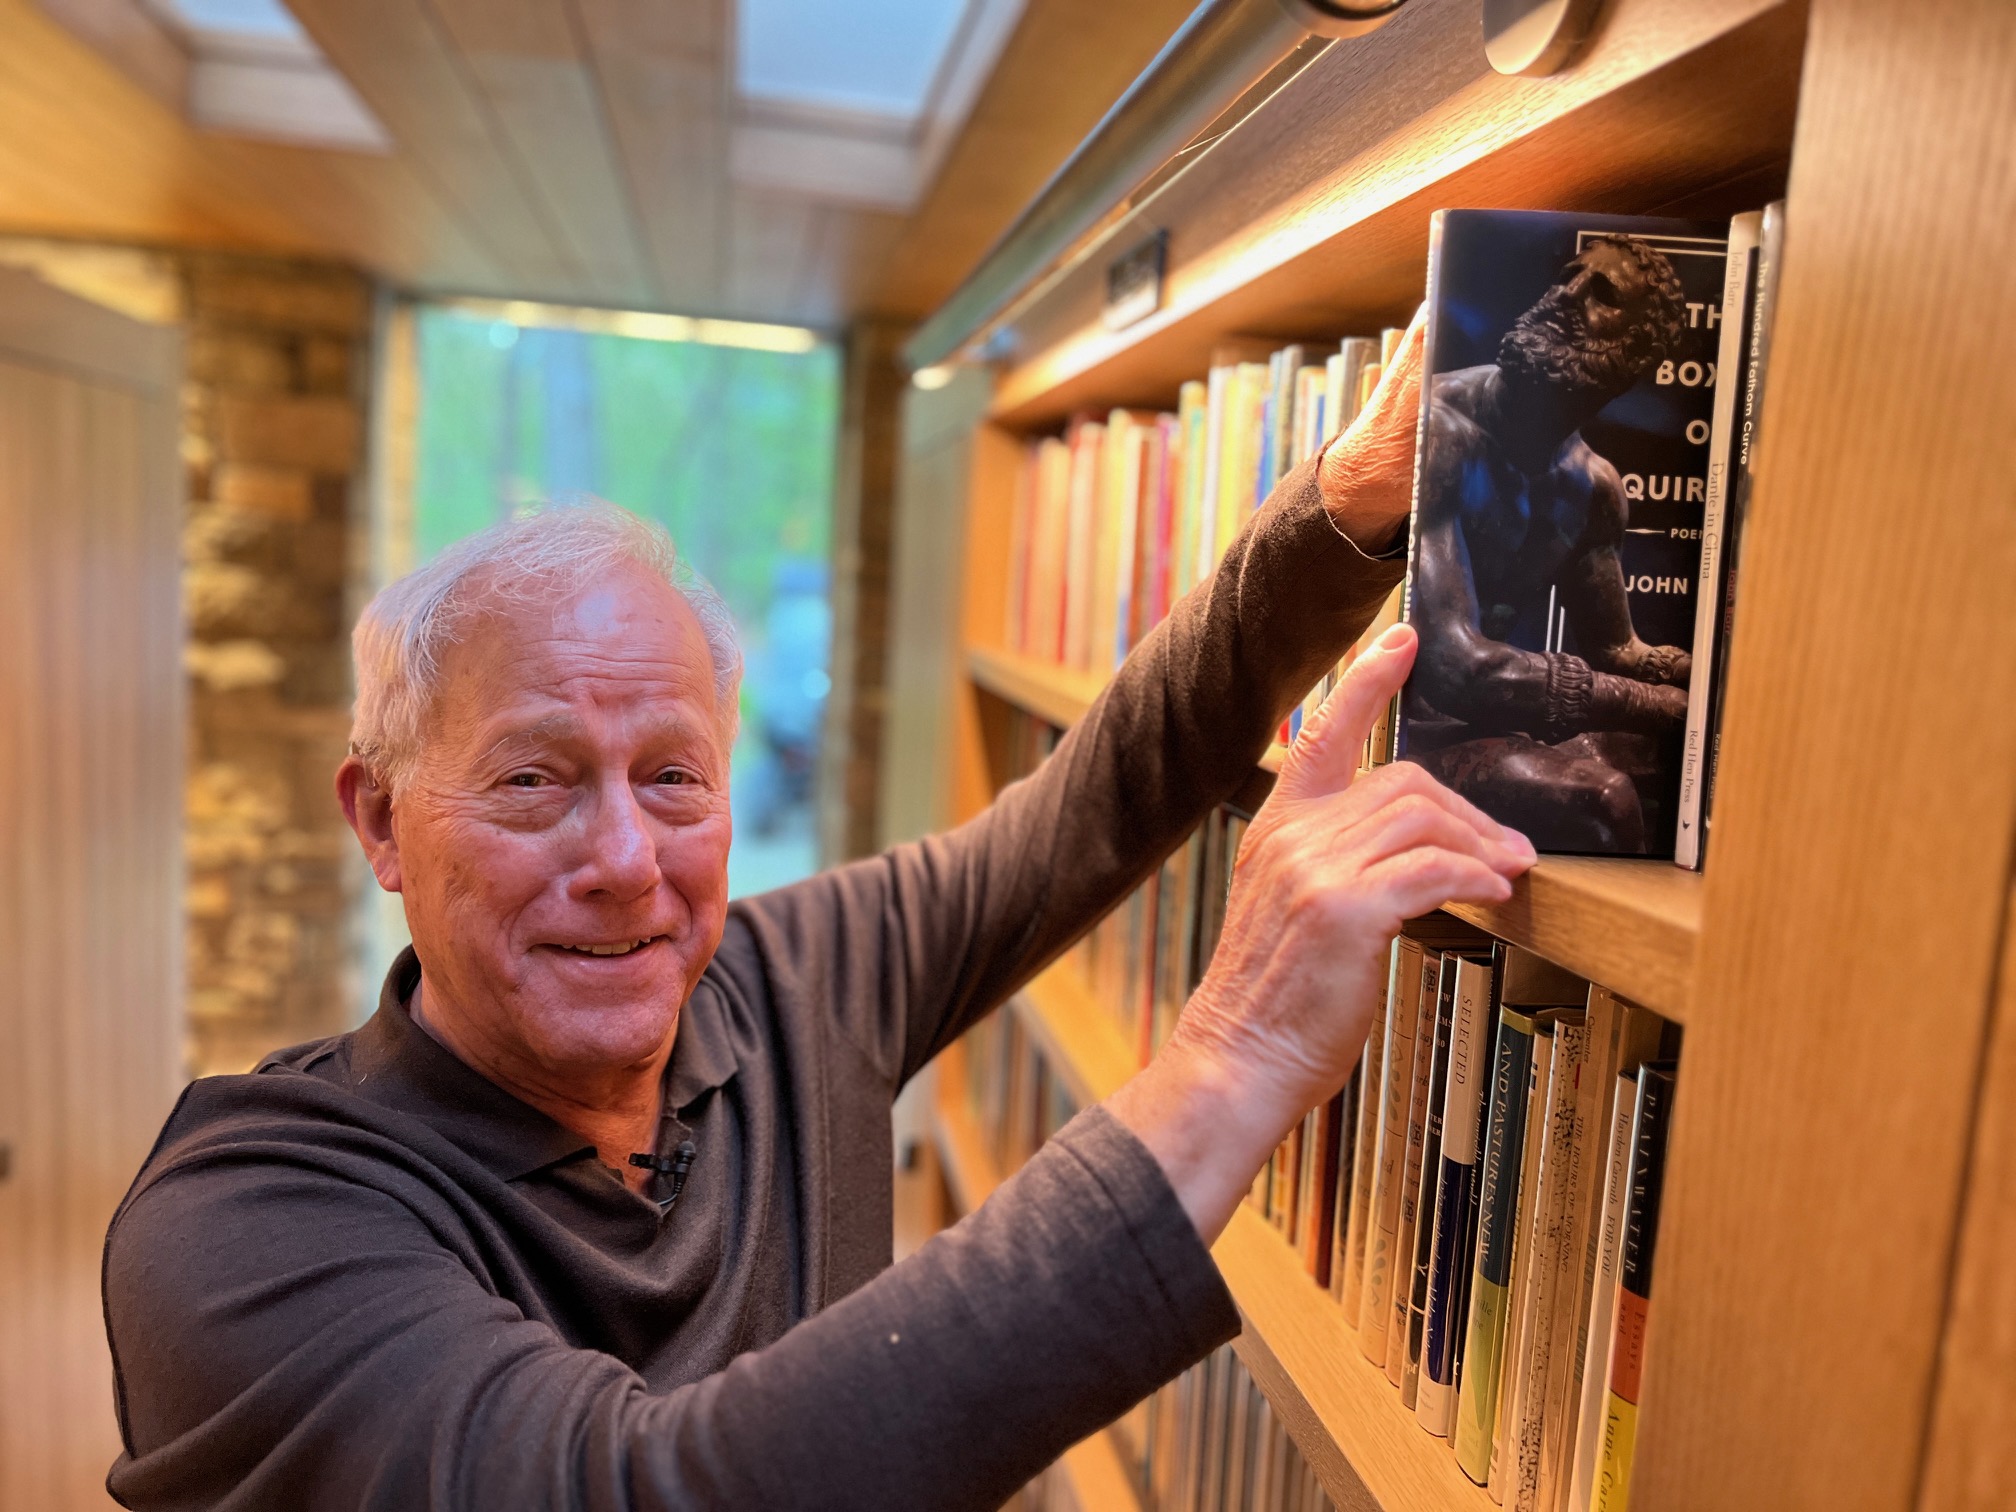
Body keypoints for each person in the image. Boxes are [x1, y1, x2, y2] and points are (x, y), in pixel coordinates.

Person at [101, 315, 1532, 1511]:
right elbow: (640, 1491)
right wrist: (1236, 1052)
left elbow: (1100, 798)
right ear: (379, 822)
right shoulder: (241, 1225)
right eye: (534, 780)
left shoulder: (786, 987)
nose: (621, 858)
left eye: (674, 776)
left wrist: (1346, 509)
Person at [1403, 235, 1692, 853]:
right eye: (1569, 276)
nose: (1565, 295)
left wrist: (1703, 681)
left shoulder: (1593, 488)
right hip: (1417, 732)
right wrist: (1658, 705)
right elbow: (1457, 668)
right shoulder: (1441, 431)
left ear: (1633, 355)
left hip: (1503, 720)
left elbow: (1616, 650)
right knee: (1605, 801)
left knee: (1675, 767)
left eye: (1601, 294)